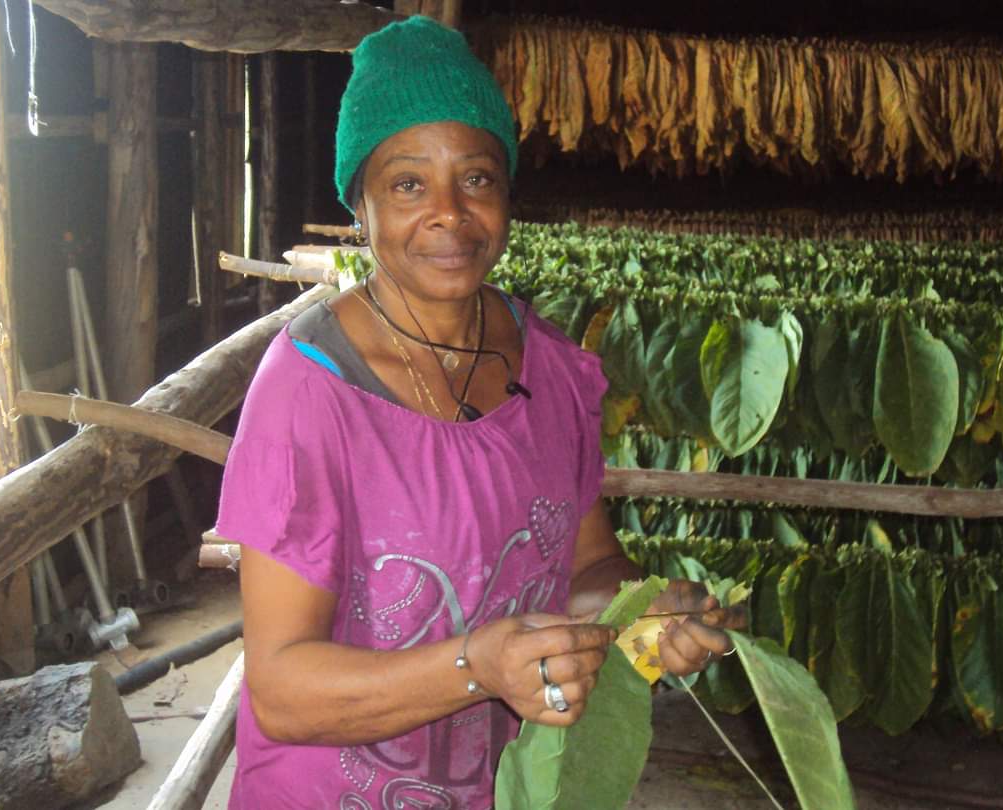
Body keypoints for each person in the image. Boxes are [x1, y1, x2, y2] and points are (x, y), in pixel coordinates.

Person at [216, 15, 742, 809]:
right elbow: (284, 691)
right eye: (406, 184)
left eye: (477, 178)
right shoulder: (309, 392)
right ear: (360, 205)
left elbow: (585, 569)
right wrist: (475, 664)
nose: (449, 214)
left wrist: (648, 615)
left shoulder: (552, 369)